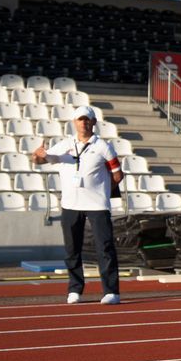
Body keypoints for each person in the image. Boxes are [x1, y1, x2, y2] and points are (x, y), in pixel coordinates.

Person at [34, 105, 122, 305]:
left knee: (105, 248)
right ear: (74, 122)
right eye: (80, 119)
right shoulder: (64, 145)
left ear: (94, 122)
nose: (84, 122)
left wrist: (103, 189)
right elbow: (40, 160)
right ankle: (75, 290)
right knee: (72, 249)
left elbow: (117, 173)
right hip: (70, 205)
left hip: (97, 205)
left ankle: (111, 291)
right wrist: (37, 154)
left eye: (87, 119)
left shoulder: (103, 146)